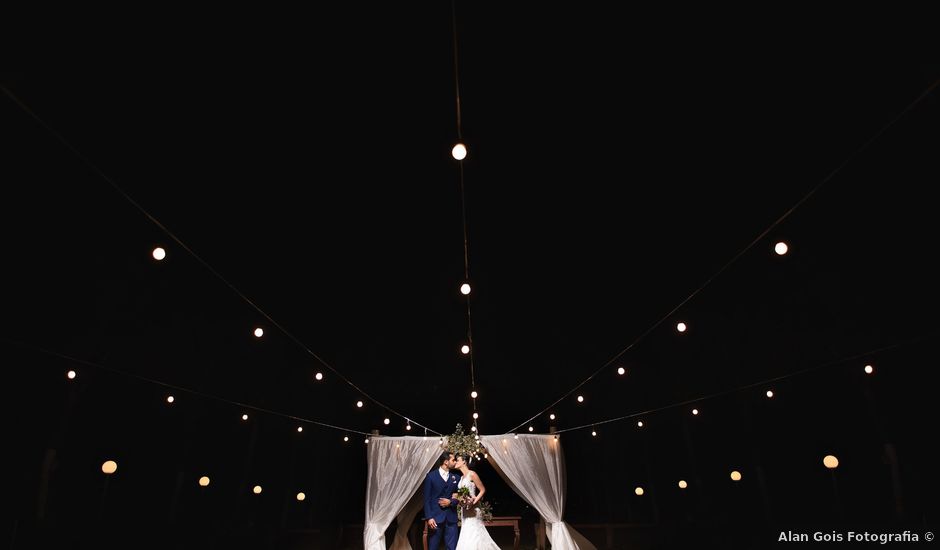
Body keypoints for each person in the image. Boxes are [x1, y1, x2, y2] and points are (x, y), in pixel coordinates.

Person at [453, 453, 500, 550]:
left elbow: (482, 490)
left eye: (458, 460)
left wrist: (473, 502)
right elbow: (462, 495)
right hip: (464, 511)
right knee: (466, 534)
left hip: (474, 509)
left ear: (464, 462)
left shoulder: (472, 474)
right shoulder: (461, 478)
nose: (456, 462)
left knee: (475, 534)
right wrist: (460, 500)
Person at [424, 451, 461, 550]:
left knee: (452, 547)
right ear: (446, 462)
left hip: (451, 517)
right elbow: (426, 499)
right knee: (433, 546)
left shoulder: (456, 478)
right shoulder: (431, 477)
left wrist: (451, 502)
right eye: (453, 460)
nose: (455, 462)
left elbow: (459, 497)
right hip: (435, 518)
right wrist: (429, 517)